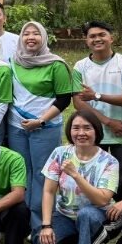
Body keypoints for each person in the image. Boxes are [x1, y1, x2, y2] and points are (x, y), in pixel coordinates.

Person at [35, 111, 119, 244]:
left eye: (87, 128)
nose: (81, 133)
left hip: (98, 216)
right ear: (69, 131)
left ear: (96, 131)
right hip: (65, 214)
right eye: (76, 128)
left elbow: (102, 200)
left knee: (86, 215)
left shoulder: (109, 161)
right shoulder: (60, 153)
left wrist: (75, 175)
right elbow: (48, 191)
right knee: (41, 240)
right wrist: (46, 226)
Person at [7, 21, 76, 230]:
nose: (30, 37)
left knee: (42, 174)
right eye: (26, 33)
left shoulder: (56, 64)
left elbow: (64, 99)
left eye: (36, 34)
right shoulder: (13, 62)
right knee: (22, 173)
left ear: (44, 37)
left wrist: (41, 120)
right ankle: (23, 220)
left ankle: (41, 223)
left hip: (44, 128)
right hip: (16, 127)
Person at [72, 21, 122, 169]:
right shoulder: (79, 67)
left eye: (102, 35)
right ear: (86, 41)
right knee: (93, 177)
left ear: (111, 38)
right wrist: (108, 122)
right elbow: (78, 103)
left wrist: (97, 96)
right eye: (92, 36)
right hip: (92, 133)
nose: (97, 39)